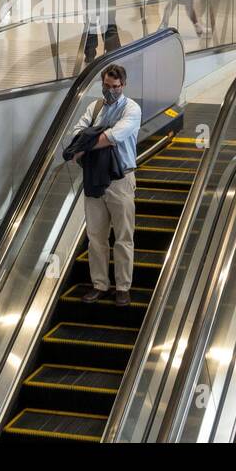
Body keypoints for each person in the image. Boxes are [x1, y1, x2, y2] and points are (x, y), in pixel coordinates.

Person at [66, 63, 140, 307]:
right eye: (107, 86)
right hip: (94, 178)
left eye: (115, 87)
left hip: (121, 180)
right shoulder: (95, 106)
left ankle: (122, 287)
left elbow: (111, 137)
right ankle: (99, 284)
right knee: (96, 236)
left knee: (123, 236)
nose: (111, 91)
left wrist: (87, 142)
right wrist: (88, 138)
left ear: (123, 85)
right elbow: (77, 132)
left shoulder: (132, 109)